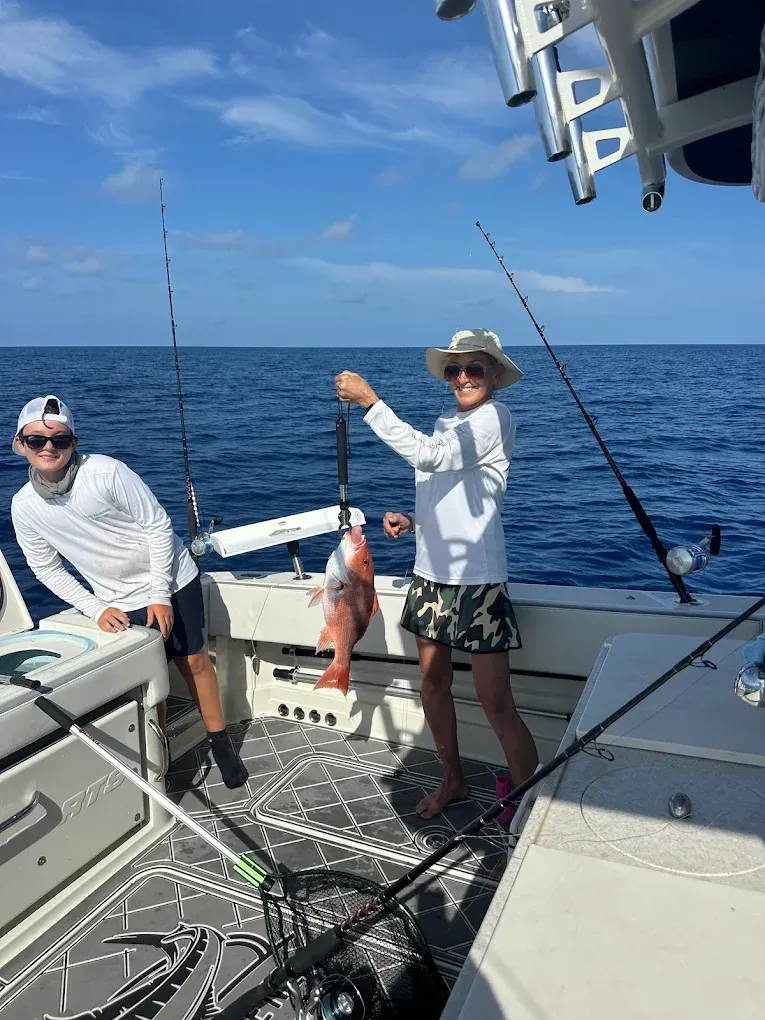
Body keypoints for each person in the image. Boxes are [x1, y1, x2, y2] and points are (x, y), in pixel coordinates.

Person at [335, 329, 539, 819]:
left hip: (478, 581)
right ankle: (454, 779)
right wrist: (414, 519)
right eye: (454, 370)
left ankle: (530, 799)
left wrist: (371, 403)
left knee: (495, 701)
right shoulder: (447, 422)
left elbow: (430, 456)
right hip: (430, 576)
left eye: (474, 368)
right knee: (432, 685)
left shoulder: (494, 418)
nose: (463, 378)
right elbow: (446, 486)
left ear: (494, 375)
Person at [10, 395, 248, 789]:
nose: (48, 448)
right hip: (116, 602)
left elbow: (157, 526)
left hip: (171, 580)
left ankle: (220, 744)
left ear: (75, 442)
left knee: (193, 664)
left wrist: (160, 594)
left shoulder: (106, 473)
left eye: (60, 440)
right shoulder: (23, 507)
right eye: (36, 441)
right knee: (150, 681)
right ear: (20, 444)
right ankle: (159, 758)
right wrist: (95, 608)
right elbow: (45, 568)